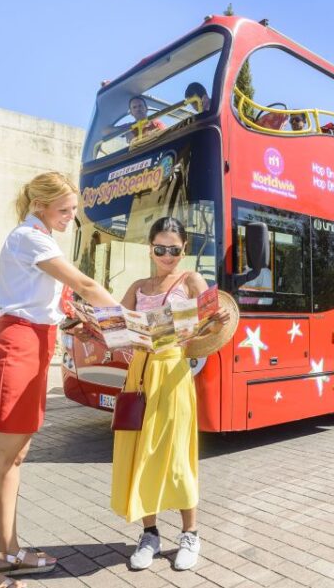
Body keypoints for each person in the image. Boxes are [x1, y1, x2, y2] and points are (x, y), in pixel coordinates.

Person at [0, 172, 119, 588]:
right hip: (16, 347)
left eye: (73, 210)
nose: (71, 217)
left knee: (16, 456)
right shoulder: (30, 237)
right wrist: (131, 322)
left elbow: (47, 304)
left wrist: (76, 324)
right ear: (39, 206)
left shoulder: (40, 239)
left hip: (34, 345)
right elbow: (83, 284)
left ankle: (7, 551)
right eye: (64, 210)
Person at [111, 217, 231, 572]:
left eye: (174, 249)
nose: (166, 255)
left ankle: (191, 533)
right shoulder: (137, 285)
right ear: (150, 248)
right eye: (160, 248)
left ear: (184, 250)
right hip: (140, 373)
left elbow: (206, 328)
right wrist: (92, 327)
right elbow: (117, 328)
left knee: (177, 455)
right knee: (141, 453)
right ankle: (149, 534)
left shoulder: (191, 280)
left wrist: (215, 321)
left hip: (174, 372)